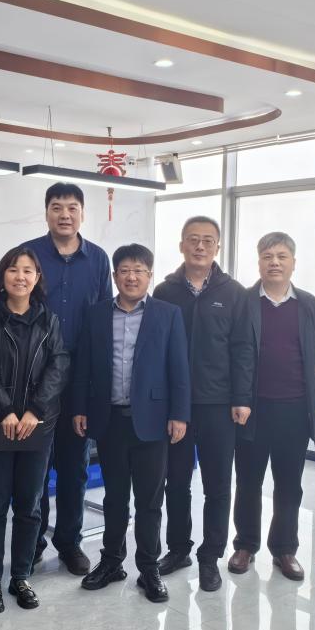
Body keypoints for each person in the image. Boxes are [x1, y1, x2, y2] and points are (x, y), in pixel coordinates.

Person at [72, 244, 190, 603]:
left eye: (139, 270)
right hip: (109, 420)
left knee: (150, 501)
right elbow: (83, 365)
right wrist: (79, 407)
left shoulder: (168, 314)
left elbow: (179, 368)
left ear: (149, 275)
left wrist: (179, 414)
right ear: (114, 276)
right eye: (124, 270)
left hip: (152, 422)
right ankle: (111, 562)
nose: (131, 276)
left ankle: (149, 568)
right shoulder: (96, 314)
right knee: (115, 498)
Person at [0, 246, 69, 614]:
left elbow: (59, 365)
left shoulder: (49, 320)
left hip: (36, 426)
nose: (20, 276)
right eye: (13, 269)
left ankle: (21, 576)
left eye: (28, 270)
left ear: (37, 278)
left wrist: (34, 411)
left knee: (30, 504)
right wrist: (5, 411)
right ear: (2, 276)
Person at [153, 216, 251, 592]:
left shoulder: (234, 292)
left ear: (217, 248)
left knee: (217, 485)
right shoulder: (165, 291)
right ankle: (178, 549)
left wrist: (241, 397)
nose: (199, 246)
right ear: (181, 245)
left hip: (218, 405)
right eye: (193, 239)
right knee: (176, 482)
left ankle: (210, 556)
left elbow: (243, 348)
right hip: (176, 406)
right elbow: (156, 350)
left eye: (208, 240)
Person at [24, 183, 112, 575]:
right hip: (33, 377)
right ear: (46, 212)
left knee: (74, 467)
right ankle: (32, 542)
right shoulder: (28, 255)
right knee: (34, 468)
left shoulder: (98, 259)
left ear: (82, 213)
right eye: (57, 207)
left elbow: (105, 317)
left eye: (72, 207)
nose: (64, 214)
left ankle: (70, 543)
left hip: (79, 380)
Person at [229, 232, 315, 581]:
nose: (274, 263)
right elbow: (236, 352)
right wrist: (240, 398)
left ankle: (285, 549)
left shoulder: (310, 304)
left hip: (295, 409)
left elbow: (311, 352)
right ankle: (245, 544)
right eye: (267, 256)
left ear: (293, 262)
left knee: (289, 484)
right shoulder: (243, 301)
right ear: (259, 262)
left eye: (282, 256)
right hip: (252, 409)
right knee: (248, 481)